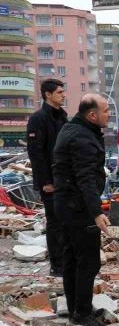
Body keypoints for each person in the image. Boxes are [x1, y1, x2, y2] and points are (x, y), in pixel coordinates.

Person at [52, 95, 112, 326]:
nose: (109, 115)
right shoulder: (82, 137)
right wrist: (96, 212)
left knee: (72, 260)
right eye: (106, 111)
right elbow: (85, 178)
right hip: (78, 209)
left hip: (67, 205)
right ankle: (82, 313)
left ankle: (77, 307)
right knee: (87, 262)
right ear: (92, 115)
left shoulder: (73, 129)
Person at [26, 78, 68, 276]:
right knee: (55, 222)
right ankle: (57, 265)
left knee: (67, 221)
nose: (63, 95)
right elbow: (36, 154)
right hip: (51, 182)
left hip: (66, 180)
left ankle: (67, 261)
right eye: (59, 92)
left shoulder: (62, 117)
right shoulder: (39, 119)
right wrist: (46, 182)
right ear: (48, 94)